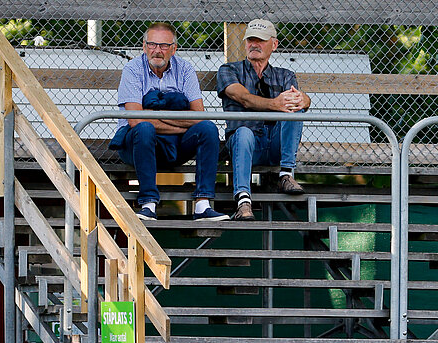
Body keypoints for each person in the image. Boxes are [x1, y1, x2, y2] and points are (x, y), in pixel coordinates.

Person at [115, 22, 225, 221]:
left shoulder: (185, 69)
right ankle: (148, 204)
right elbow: (135, 120)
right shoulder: (132, 69)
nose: (157, 50)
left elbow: (199, 116)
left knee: (208, 128)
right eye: (152, 44)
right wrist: (178, 121)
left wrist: (156, 115)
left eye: (164, 46)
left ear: (174, 49)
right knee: (145, 128)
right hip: (137, 145)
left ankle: (202, 205)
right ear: (144, 46)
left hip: (176, 145)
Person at [218, 18, 308, 221]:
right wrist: (276, 104)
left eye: (260, 40)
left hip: (276, 144)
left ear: (274, 45)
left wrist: (303, 99)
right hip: (247, 145)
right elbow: (244, 99)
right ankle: (243, 202)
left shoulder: (285, 75)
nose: (254, 44)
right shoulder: (229, 70)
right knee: (243, 133)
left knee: (296, 109)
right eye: (251, 40)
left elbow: (297, 100)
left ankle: (286, 174)